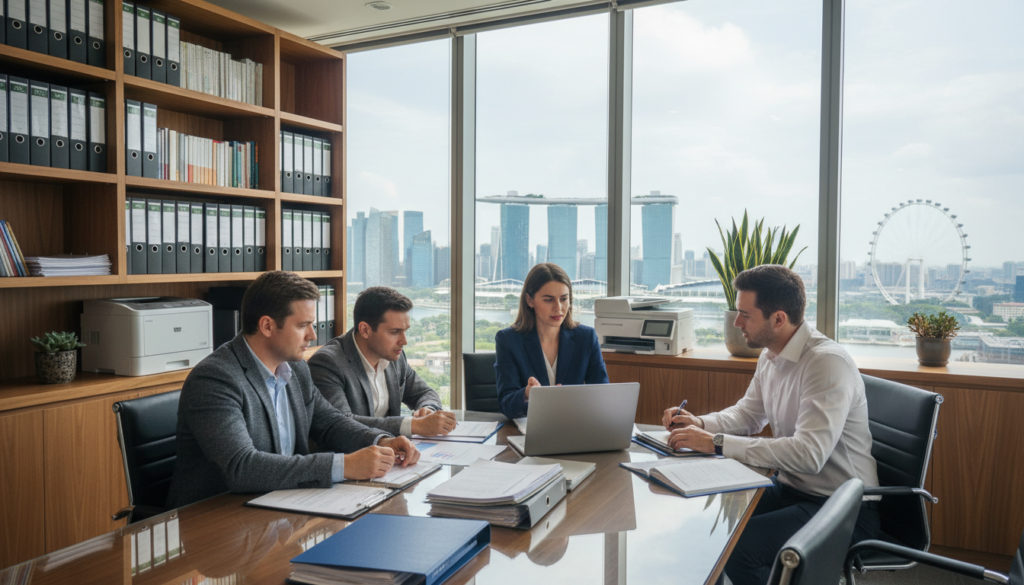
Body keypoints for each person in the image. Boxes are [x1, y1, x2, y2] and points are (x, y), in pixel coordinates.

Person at [660, 264, 880, 585]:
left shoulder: (826, 364)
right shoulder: (771, 354)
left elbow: (808, 454)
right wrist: (700, 423)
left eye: (745, 315)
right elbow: (749, 416)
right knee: (707, 526)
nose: (737, 323)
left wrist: (717, 443)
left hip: (842, 508)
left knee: (739, 550)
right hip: (793, 489)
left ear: (778, 319)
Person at [166, 272, 420, 510]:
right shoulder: (216, 379)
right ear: (267, 326)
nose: (312, 334)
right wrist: (345, 466)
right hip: (216, 518)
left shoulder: (295, 369)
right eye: (303, 325)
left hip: (282, 504)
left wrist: (380, 440)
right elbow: (242, 467)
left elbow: (330, 422)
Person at [309, 286, 457, 438]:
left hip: (393, 455)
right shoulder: (328, 363)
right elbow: (341, 425)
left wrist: (428, 409)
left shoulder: (394, 356)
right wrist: (413, 425)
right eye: (394, 332)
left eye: (405, 331)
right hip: (351, 457)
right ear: (365, 330)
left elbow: (424, 392)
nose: (404, 341)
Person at [494, 263, 609, 419]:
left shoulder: (586, 337)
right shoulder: (508, 340)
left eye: (564, 299)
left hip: (576, 427)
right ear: (530, 300)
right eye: (548, 300)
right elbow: (506, 404)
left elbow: (602, 396)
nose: (558, 308)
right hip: (529, 431)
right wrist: (527, 393)